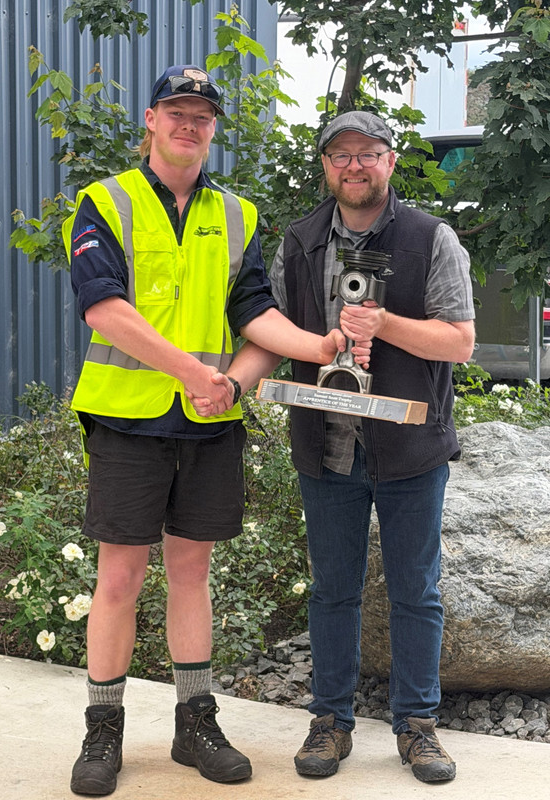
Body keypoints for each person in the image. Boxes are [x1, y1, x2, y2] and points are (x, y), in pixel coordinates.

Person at [62, 65, 369, 797]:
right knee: (120, 578)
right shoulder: (104, 201)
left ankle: (194, 722)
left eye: (202, 116)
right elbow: (104, 308)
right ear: (151, 119)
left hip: (209, 424)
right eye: (177, 111)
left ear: (212, 129)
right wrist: (195, 373)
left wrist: (318, 346)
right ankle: (103, 728)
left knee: (192, 573)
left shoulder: (238, 214)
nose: (189, 124)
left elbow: (254, 313)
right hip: (127, 420)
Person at [193, 109, 475, 784]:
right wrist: (234, 383)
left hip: (410, 447)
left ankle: (417, 726)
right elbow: (269, 329)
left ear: (391, 161)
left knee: (416, 591)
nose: (354, 165)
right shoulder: (299, 241)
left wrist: (383, 324)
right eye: (341, 154)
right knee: (332, 592)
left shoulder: (431, 238)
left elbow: (460, 342)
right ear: (325, 165)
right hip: (326, 447)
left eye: (368, 153)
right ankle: (330, 721)